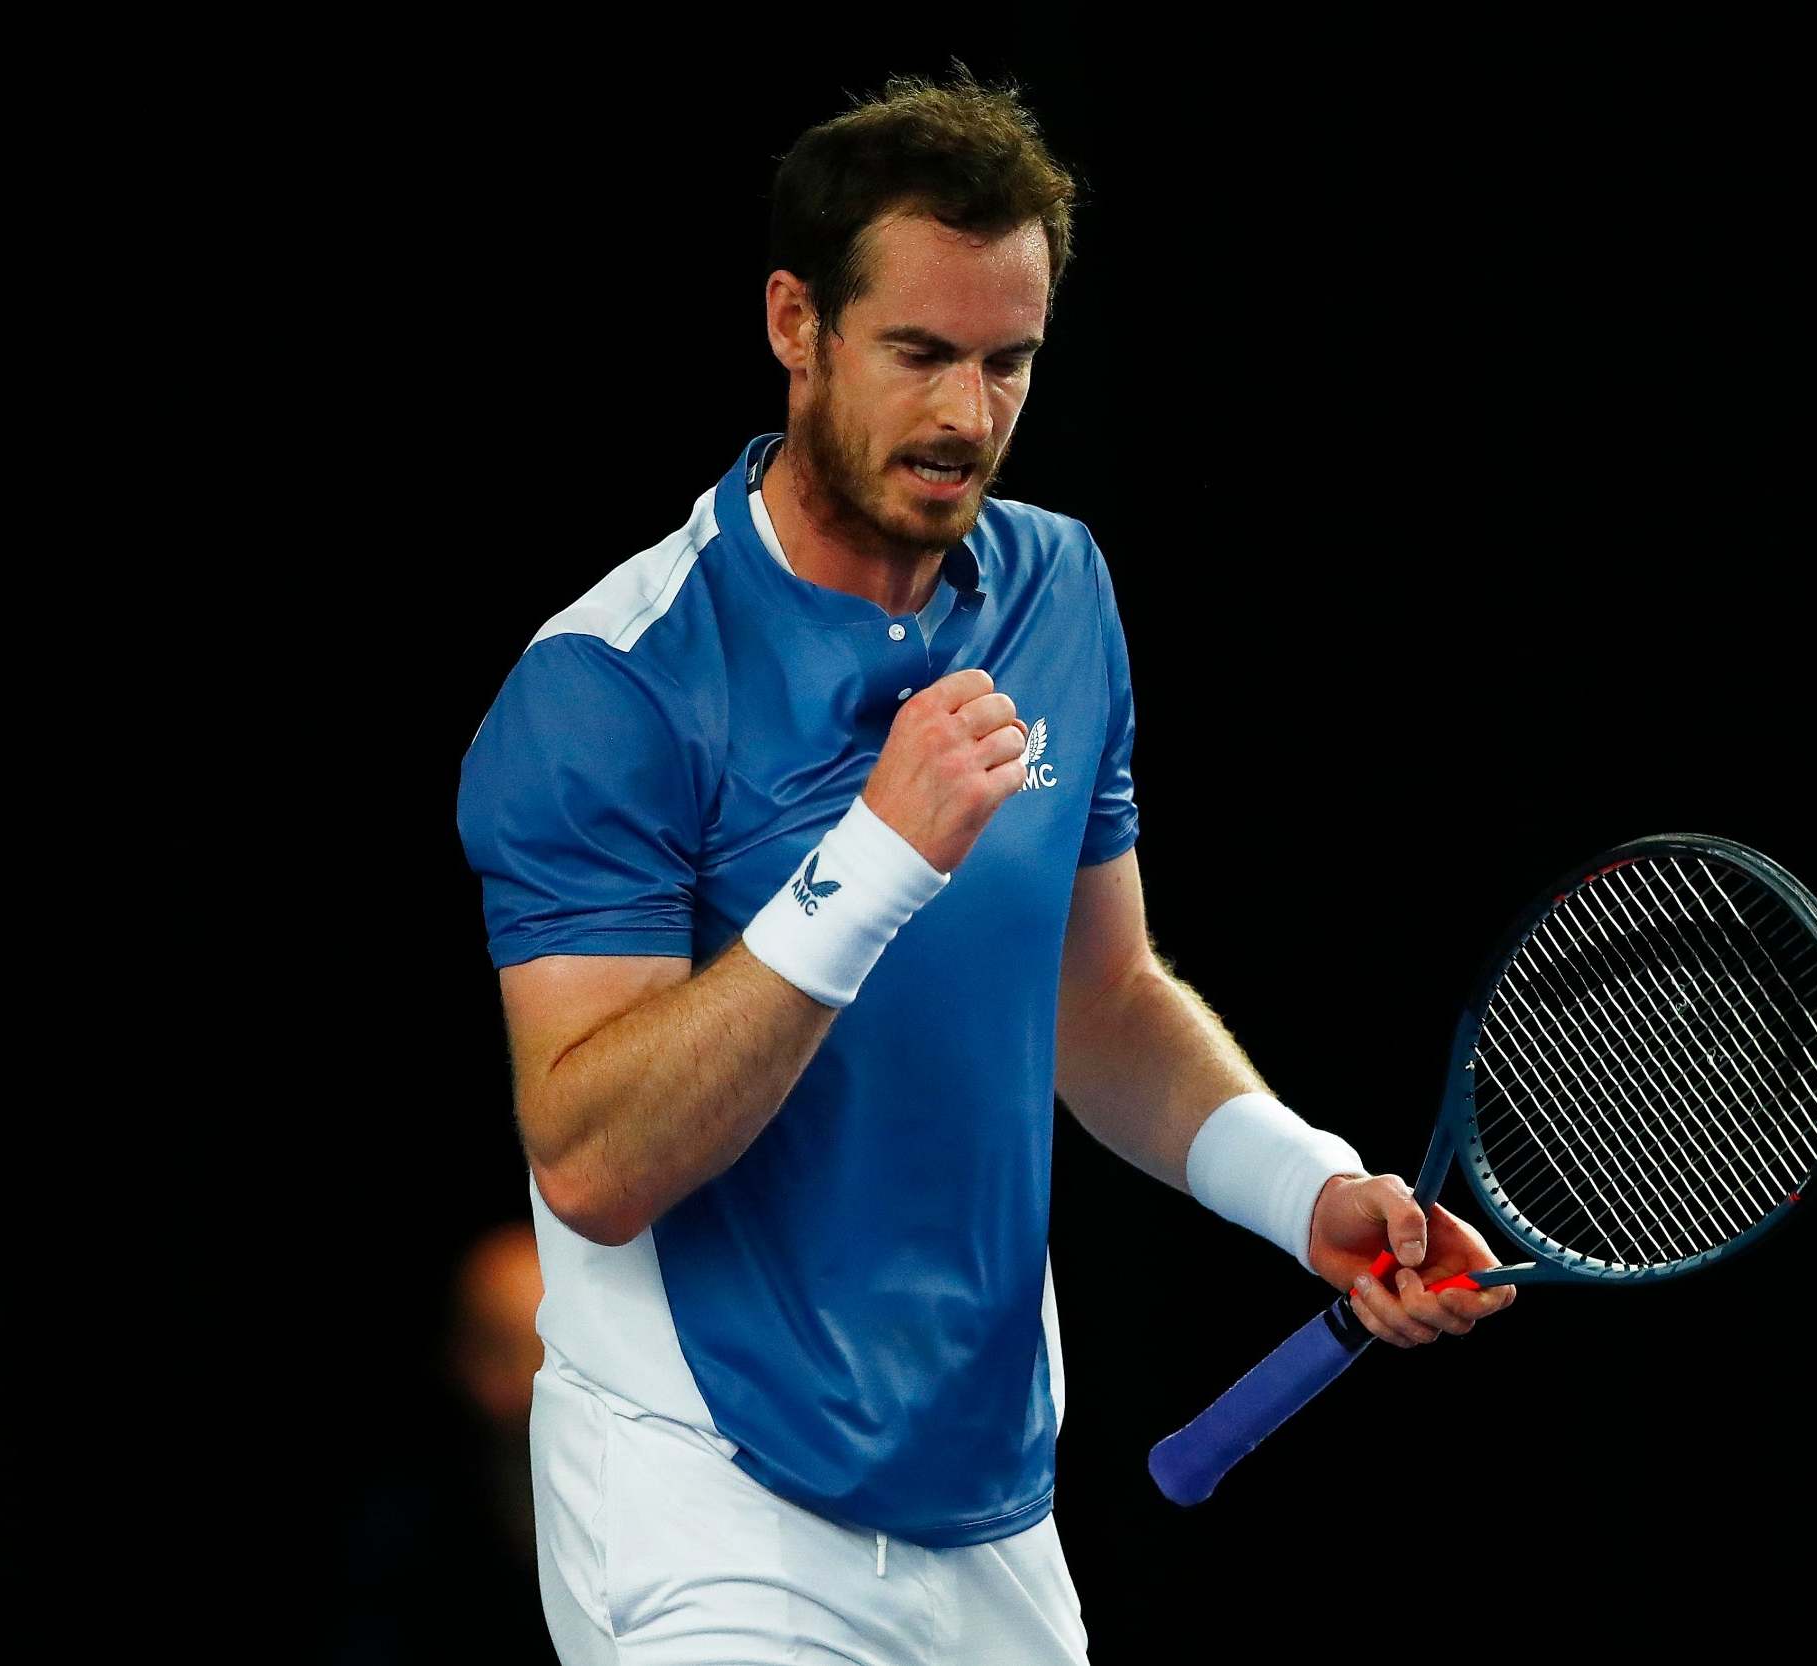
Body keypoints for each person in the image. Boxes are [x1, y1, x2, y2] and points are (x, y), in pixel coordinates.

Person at [456, 67, 1516, 1666]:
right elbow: (594, 1162)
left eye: (1007, 361)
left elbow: (1099, 1000)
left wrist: (1310, 1189)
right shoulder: (605, 683)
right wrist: (876, 855)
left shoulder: (1061, 588)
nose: (966, 416)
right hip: (706, 1516)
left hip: (993, 1519)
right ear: (793, 322)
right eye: (920, 354)